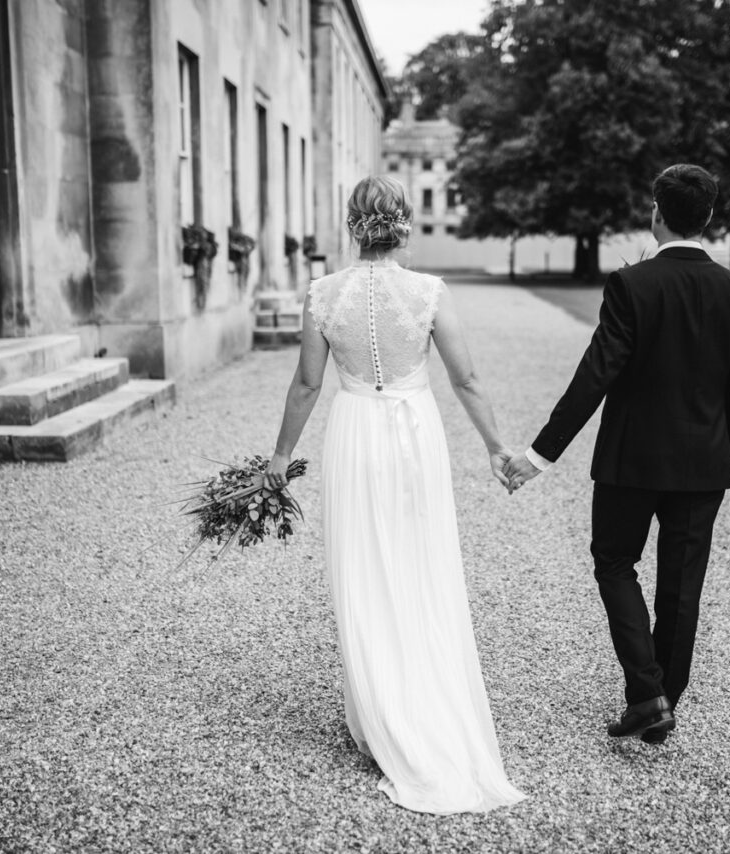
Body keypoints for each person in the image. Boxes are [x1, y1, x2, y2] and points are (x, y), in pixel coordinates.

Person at [264, 176, 526, 814]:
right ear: (402, 223)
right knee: (420, 564)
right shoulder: (429, 292)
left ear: (352, 224)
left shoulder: (325, 294)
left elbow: (306, 383)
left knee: (363, 570)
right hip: (415, 435)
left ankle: (380, 717)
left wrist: (279, 457)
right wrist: (496, 447)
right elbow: (464, 377)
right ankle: (422, 703)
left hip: (355, 434)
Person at [504, 164, 730, 744]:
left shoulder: (631, 284)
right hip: (704, 466)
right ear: (710, 217)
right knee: (682, 586)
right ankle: (660, 697)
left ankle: (648, 694)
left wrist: (540, 455)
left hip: (631, 461)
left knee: (615, 562)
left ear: (656, 213)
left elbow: (596, 374)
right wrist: (725, 452)